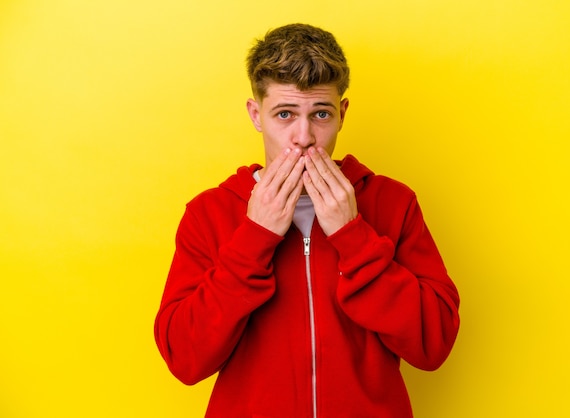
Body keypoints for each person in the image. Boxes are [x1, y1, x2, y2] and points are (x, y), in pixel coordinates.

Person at [154, 23, 460, 418]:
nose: (304, 136)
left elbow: (433, 343)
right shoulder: (209, 213)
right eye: (284, 114)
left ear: (342, 113)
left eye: (320, 114)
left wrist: (354, 237)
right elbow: (185, 358)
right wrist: (254, 237)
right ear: (256, 114)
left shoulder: (392, 203)